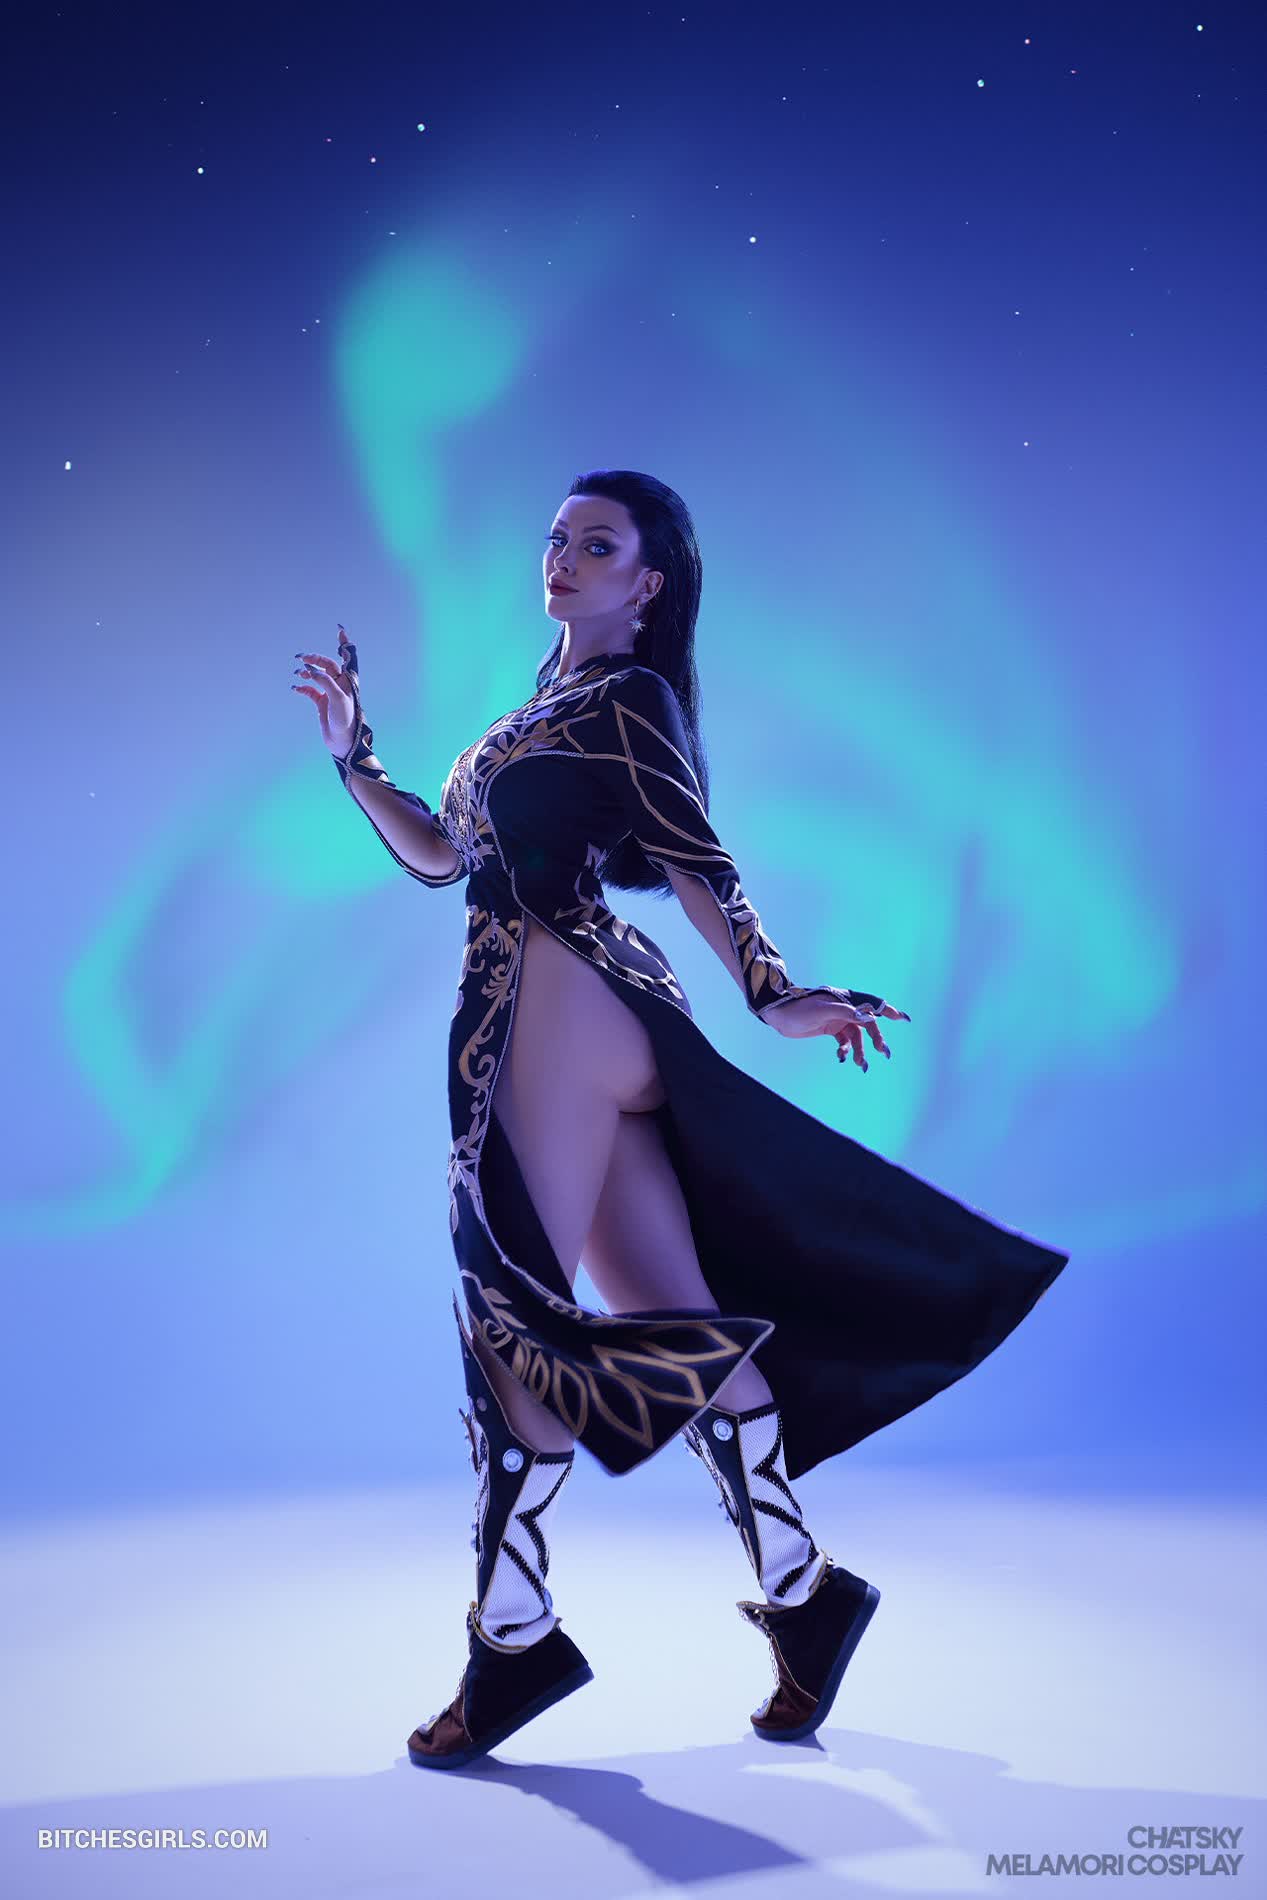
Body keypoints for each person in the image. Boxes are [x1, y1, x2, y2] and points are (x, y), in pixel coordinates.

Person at [292, 468, 1068, 1770]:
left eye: (598, 545)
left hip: (559, 1004)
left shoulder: (629, 700)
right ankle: (808, 1597)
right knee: (670, 1318)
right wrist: (354, 756)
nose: (564, 557)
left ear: (648, 585)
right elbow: (444, 855)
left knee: (511, 1308)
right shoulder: (531, 714)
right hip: (544, 1009)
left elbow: (697, 855)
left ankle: (514, 1636)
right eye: (558, 537)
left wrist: (772, 992)